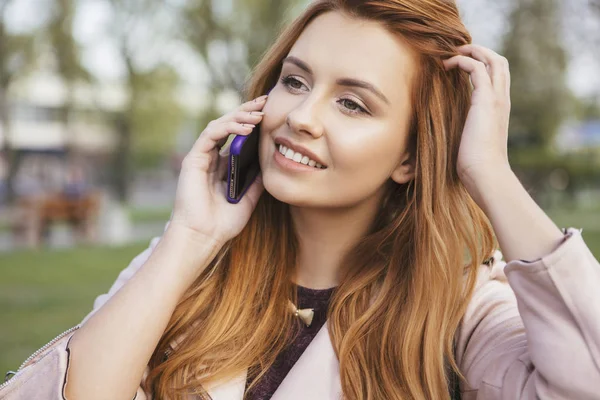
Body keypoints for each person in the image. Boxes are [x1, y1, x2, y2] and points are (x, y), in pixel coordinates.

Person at [2, 1, 599, 399]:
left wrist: (488, 172)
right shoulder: (187, 269)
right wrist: (190, 238)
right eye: (295, 81)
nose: (301, 117)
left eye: (352, 103)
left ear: (410, 157)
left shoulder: (457, 311)